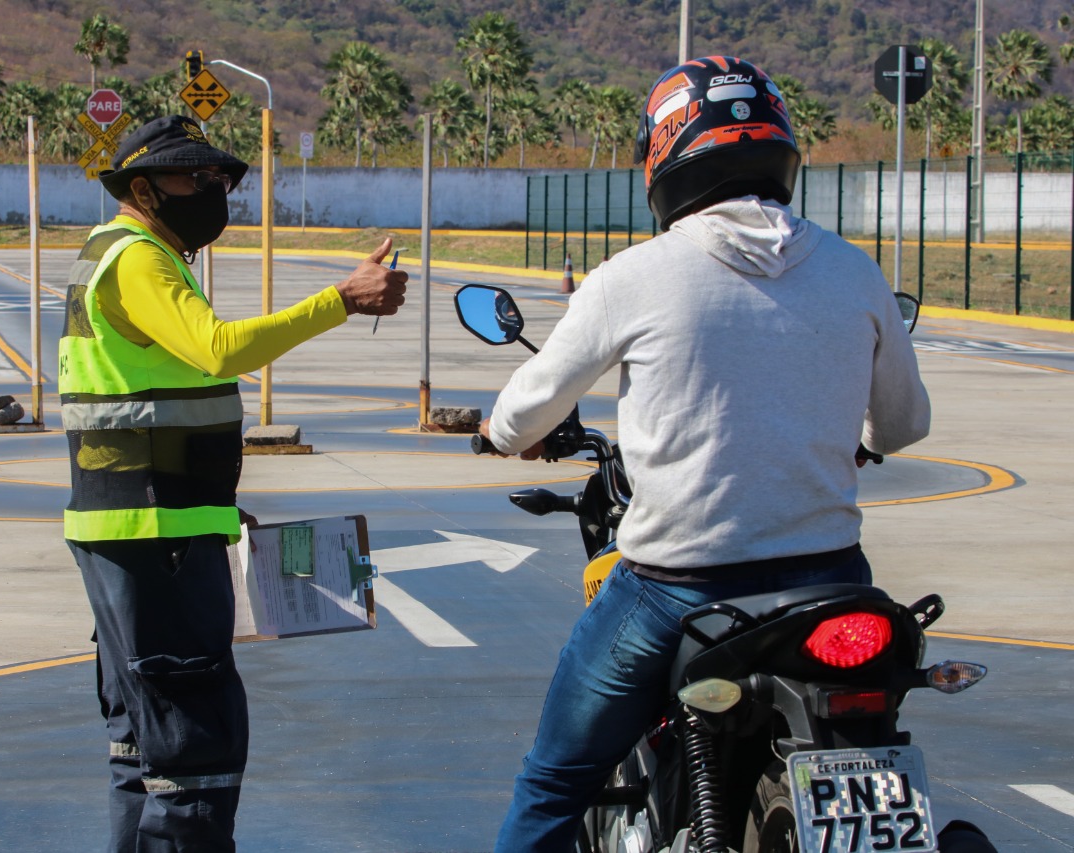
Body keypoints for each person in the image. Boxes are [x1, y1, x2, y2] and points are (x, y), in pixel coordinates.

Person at [481, 56, 932, 851]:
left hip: (678, 588)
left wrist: (497, 434)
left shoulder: (636, 276)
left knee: (554, 780)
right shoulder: (853, 270)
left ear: (665, 153)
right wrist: (856, 440)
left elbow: (522, 414)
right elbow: (901, 425)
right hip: (831, 583)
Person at [60, 114, 407, 852]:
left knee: (144, 749)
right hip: (156, 537)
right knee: (195, 754)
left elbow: (149, 402)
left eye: (219, 179)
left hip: (142, 526)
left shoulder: (122, 253)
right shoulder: (136, 259)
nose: (214, 190)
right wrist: (339, 299)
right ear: (144, 188)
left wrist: (216, 502)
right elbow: (217, 350)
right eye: (196, 178)